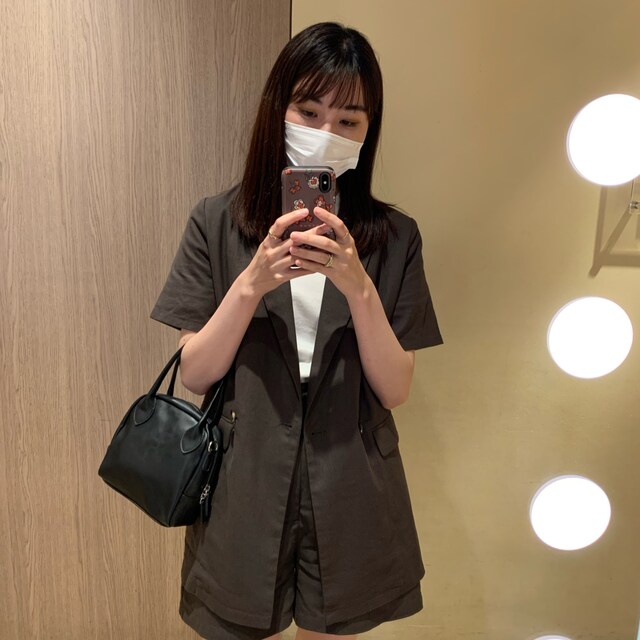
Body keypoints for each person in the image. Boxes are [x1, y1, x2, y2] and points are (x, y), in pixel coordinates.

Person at [150, 21, 442, 640]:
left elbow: (395, 389)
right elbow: (196, 374)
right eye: (309, 112)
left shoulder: (395, 238)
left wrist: (358, 287)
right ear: (277, 110)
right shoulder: (217, 223)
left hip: (352, 476)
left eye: (348, 120)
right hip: (243, 474)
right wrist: (251, 283)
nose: (325, 132)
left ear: (368, 131)